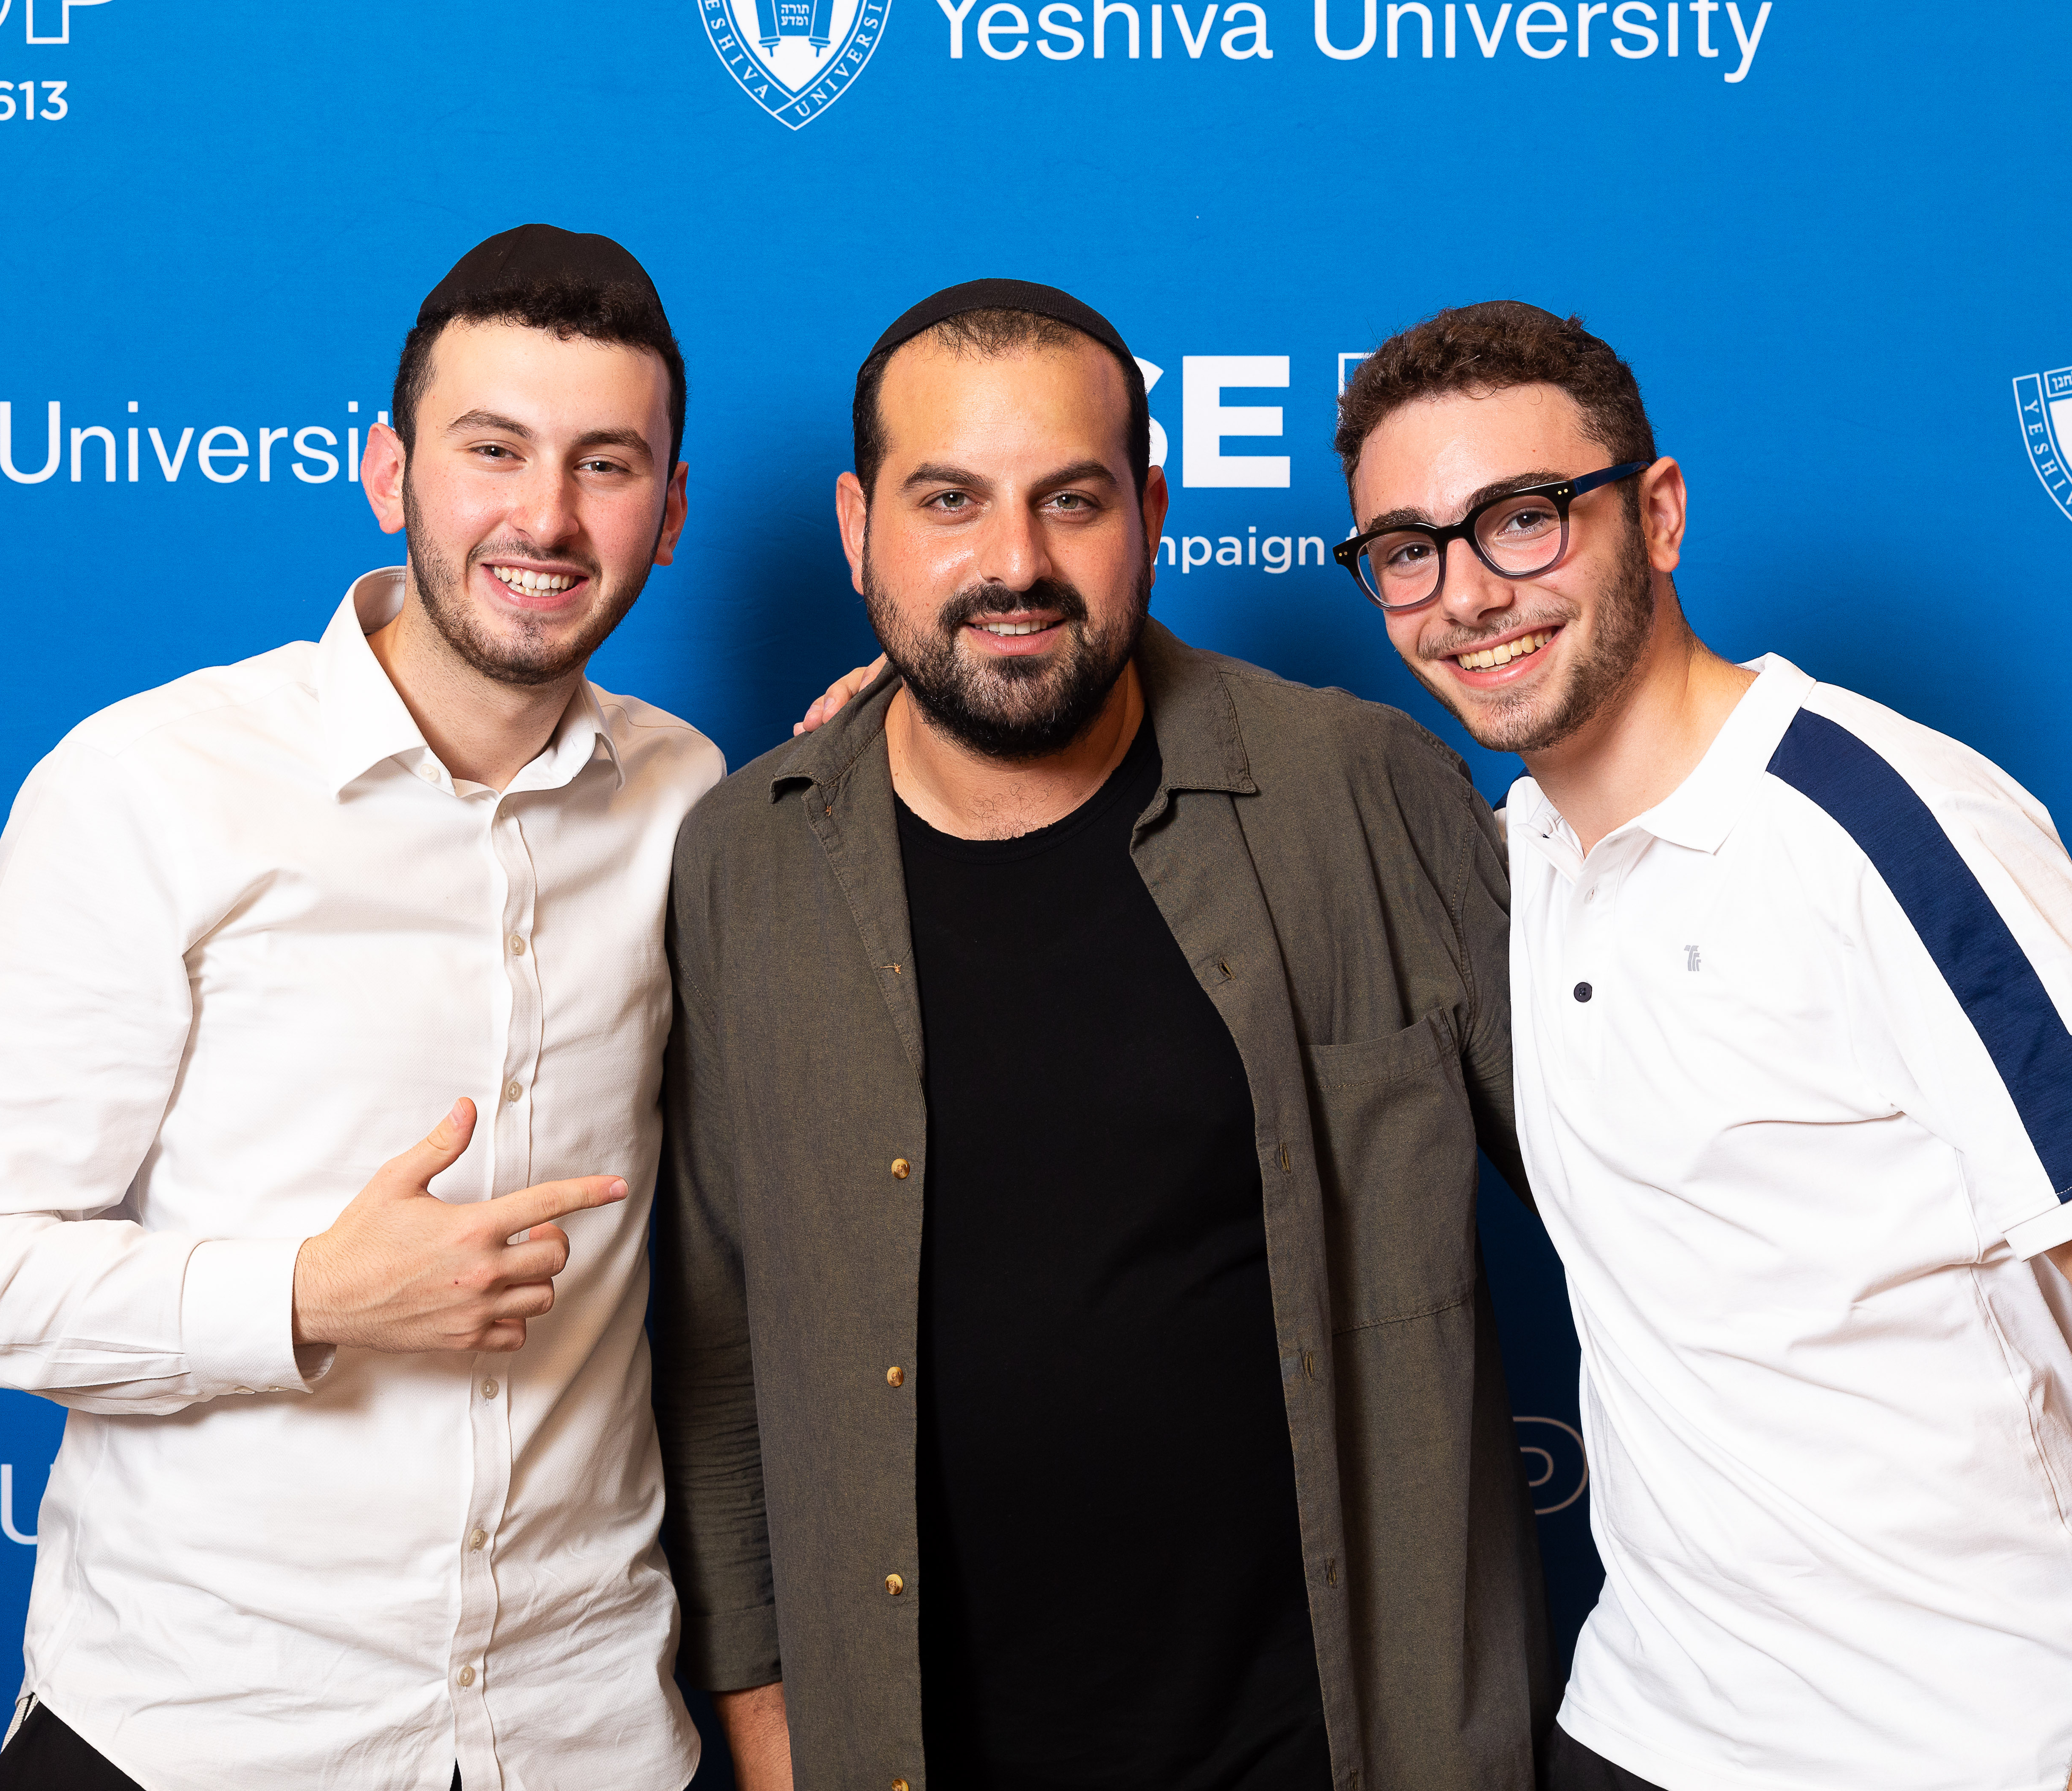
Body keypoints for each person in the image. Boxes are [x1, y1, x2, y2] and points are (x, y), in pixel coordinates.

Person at [1327, 302, 2072, 1791]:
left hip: (1946, 1751)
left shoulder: (1886, 823)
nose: (1467, 593)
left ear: (1658, 513)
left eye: (1522, 518)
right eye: (1409, 549)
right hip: (1640, 1723)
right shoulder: (1525, 851)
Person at [653, 280, 1554, 1791]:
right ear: (860, 529)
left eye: (1071, 500)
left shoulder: (1363, 791)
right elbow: (719, 1348)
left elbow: (1651, 1219)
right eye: (950, 500)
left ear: (1150, 513)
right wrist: (769, 1733)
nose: (1015, 563)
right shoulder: (744, 864)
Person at [0, 225, 720, 1791]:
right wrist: (310, 1295)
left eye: (605, 465)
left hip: (582, 1729)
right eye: (493, 450)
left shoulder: (694, 797)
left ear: (668, 516)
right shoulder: (152, 785)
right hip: (204, 1730)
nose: (545, 516)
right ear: (389, 473)